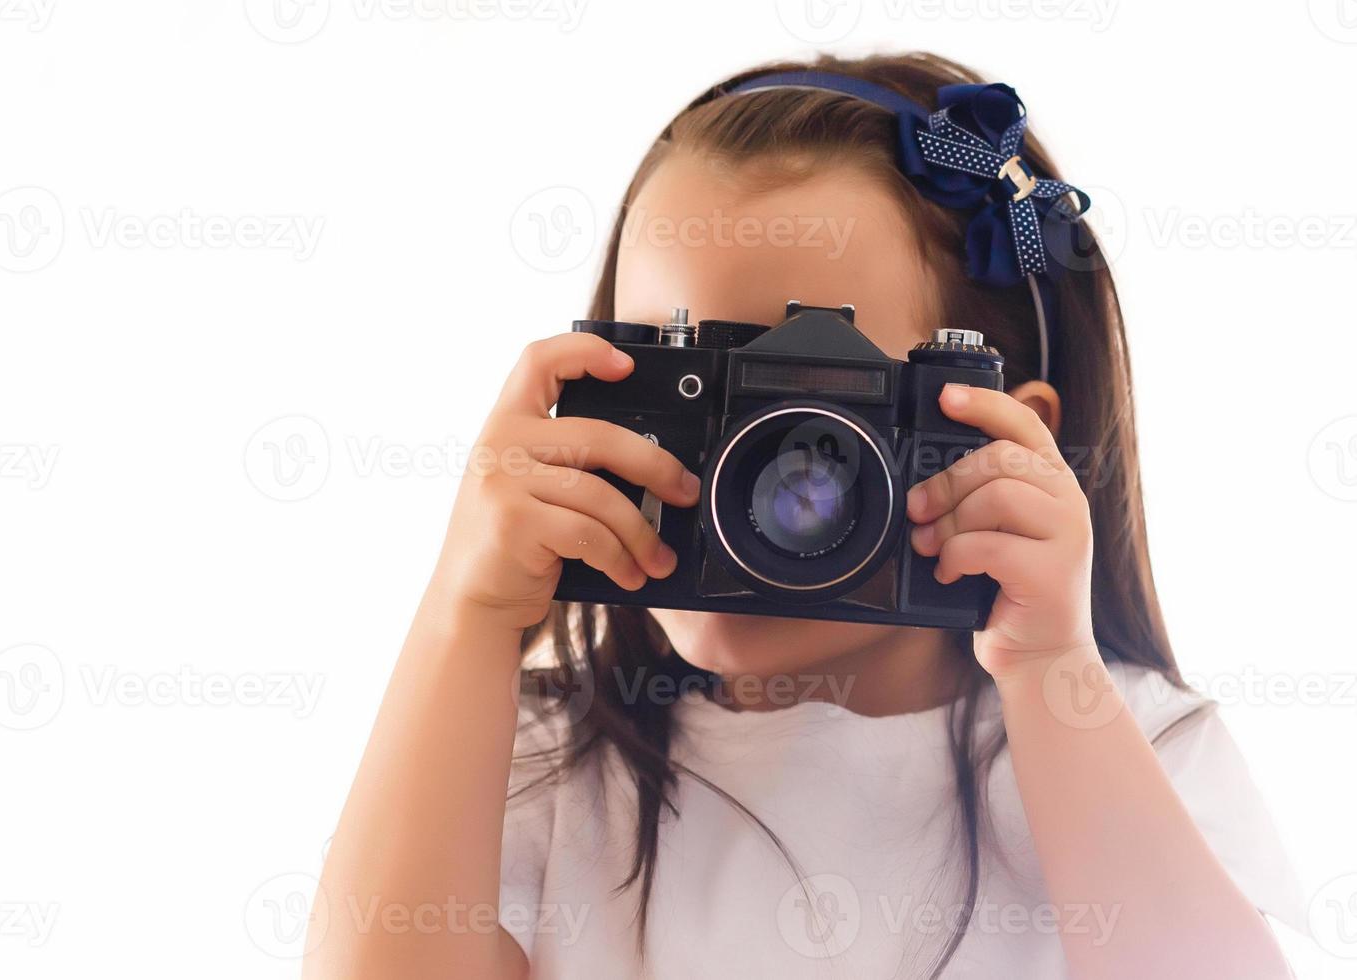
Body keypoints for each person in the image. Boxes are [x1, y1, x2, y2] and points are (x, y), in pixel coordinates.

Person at [305, 52, 1303, 979]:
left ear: (1006, 447)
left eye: (811, 414)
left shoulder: (1140, 745)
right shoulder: (538, 763)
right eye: (692, 379)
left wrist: (1052, 673)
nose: (754, 473)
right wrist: (465, 616)